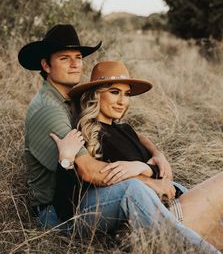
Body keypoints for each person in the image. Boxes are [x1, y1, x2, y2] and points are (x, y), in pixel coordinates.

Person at [51, 61, 223, 253]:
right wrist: (148, 176)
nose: (122, 101)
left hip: (171, 203)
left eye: (127, 94)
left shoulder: (125, 130)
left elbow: (156, 167)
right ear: (96, 94)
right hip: (160, 218)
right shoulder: (86, 133)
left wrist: (152, 161)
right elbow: (103, 177)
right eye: (115, 92)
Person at [18, 24, 173, 230]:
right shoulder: (49, 109)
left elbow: (127, 131)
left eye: (78, 58)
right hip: (57, 212)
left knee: (179, 193)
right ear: (46, 65)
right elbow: (90, 171)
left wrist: (156, 154)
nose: (75, 65)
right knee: (134, 189)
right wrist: (150, 180)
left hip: (82, 194)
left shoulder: (69, 98)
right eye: (65, 58)